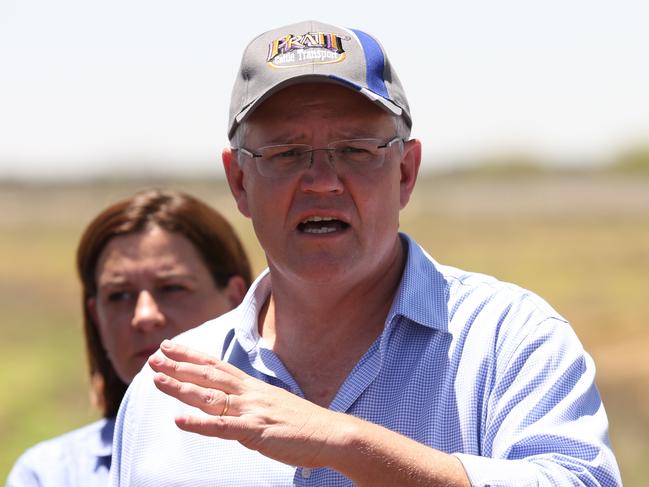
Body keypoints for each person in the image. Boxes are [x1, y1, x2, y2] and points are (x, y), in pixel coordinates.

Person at [110, 21, 621, 486]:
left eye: (355, 150)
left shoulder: (508, 341)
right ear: (238, 180)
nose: (323, 182)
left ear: (405, 171)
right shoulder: (166, 393)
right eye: (287, 154)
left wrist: (346, 443)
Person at [7, 189, 252, 486]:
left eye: (172, 288)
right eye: (119, 295)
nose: (144, 315)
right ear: (97, 317)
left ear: (236, 300)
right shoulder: (51, 474)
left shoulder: (289, 451)